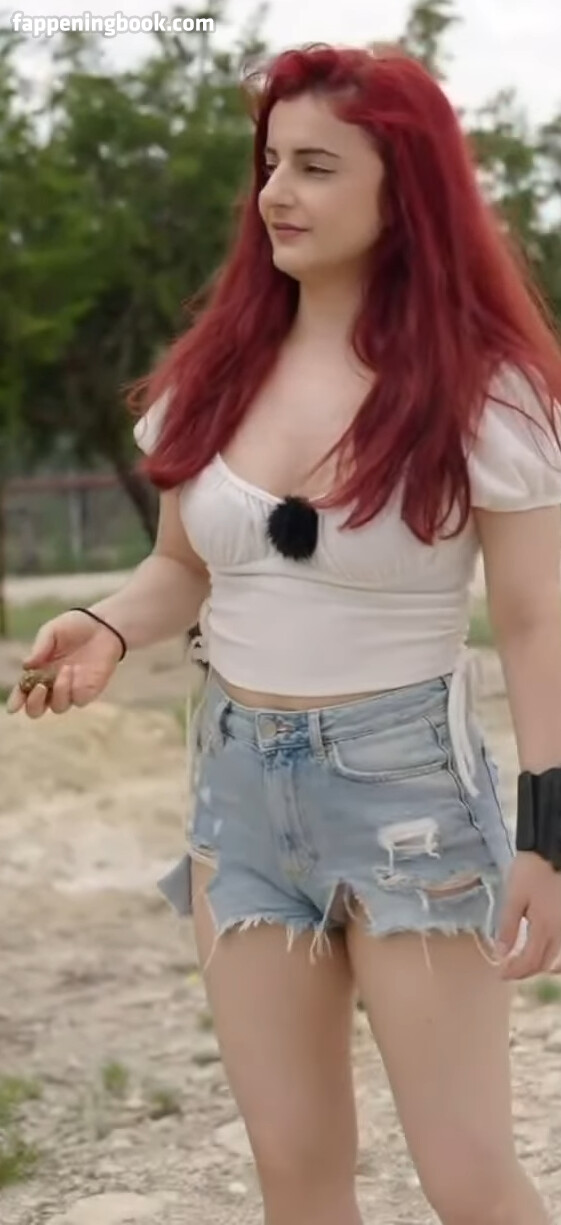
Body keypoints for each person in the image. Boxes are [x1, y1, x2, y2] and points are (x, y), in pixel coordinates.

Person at [7, 42, 561, 1225]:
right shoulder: (216, 373)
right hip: (241, 800)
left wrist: (550, 834)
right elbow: (181, 568)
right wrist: (106, 624)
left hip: (411, 801)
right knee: (297, 1175)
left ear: (404, 190)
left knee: (467, 1178)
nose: (276, 194)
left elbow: (534, 619)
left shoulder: (483, 391)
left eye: (316, 166)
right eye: (270, 163)